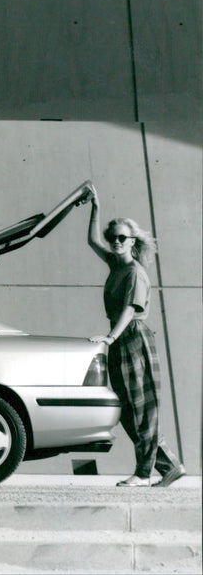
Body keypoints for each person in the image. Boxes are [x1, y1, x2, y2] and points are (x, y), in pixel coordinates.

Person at [86, 185, 185, 487]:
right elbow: (92, 240)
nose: (115, 242)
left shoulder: (135, 272)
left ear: (132, 242)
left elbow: (130, 309)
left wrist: (110, 338)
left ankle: (144, 473)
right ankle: (168, 466)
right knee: (128, 409)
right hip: (121, 339)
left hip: (132, 338)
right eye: (112, 237)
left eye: (122, 238)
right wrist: (95, 206)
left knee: (139, 407)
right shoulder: (116, 263)